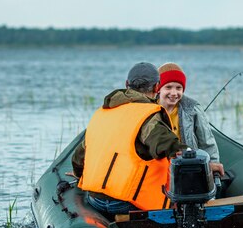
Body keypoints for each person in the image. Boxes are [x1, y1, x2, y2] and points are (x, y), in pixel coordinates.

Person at [72, 62, 185, 214]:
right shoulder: (148, 116)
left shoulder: (102, 113)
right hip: (127, 203)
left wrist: (79, 176)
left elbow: (78, 159)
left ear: (127, 84)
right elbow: (169, 146)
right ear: (157, 87)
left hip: (95, 199)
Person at [157, 62, 224, 176]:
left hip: (189, 167)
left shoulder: (193, 109)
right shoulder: (150, 109)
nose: (174, 93)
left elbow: (207, 142)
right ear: (158, 88)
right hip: (160, 170)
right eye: (168, 87)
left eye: (179, 88)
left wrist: (212, 164)